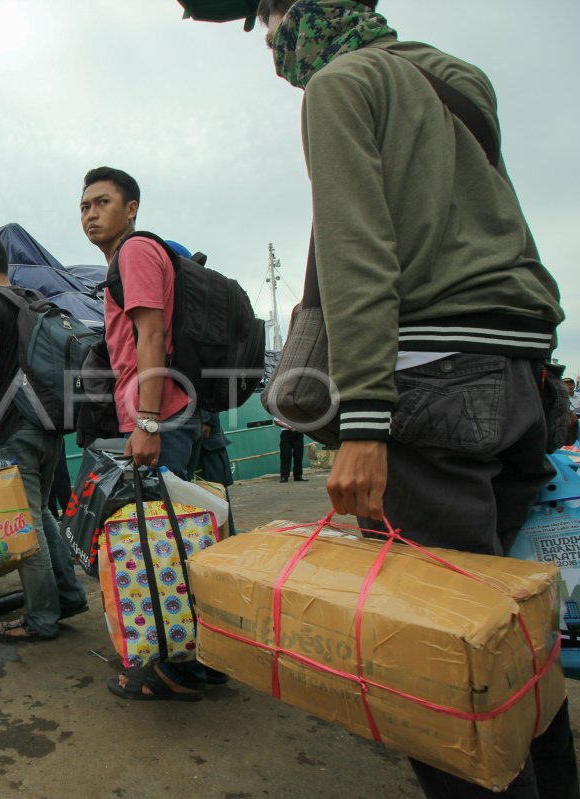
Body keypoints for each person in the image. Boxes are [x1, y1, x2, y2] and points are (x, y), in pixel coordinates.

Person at [256, 2, 576, 796]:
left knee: (438, 667)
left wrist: (363, 421)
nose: (269, 36)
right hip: (518, 377)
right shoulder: (459, 79)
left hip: (429, 385)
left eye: (270, 13)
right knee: (509, 630)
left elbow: (358, 247)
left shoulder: (339, 85)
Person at [80, 166, 213, 700]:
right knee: (173, 541)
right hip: (166, 412)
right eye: (85, 206)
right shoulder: (134, 256)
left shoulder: (134, 252)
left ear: (131, 207)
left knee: (166, 547)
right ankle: (193, 659)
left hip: (158, 414)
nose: (91, 214)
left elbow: (151, 333)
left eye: (103, 202)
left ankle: (178, 669)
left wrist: (148, 423)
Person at [0, 232, 88, 642]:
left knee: (24, 524)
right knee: (42, 513)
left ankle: (41, 619)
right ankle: (67, 597)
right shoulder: (31, 299)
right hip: (48, 424)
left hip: (14, 426)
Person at [189, 409, 236, 535]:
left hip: (205, 448)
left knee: (215, 499)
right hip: (191, 445)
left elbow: (208, 396)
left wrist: (204, 419)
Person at [276, 418, 306, 483]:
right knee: (285, 455)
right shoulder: (281, 410)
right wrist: (290, 427)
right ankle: (284, 476)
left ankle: (298, 476)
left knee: (298, 455)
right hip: (286, 433)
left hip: (298, 433)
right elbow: (277, 422)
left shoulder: (298, 411)